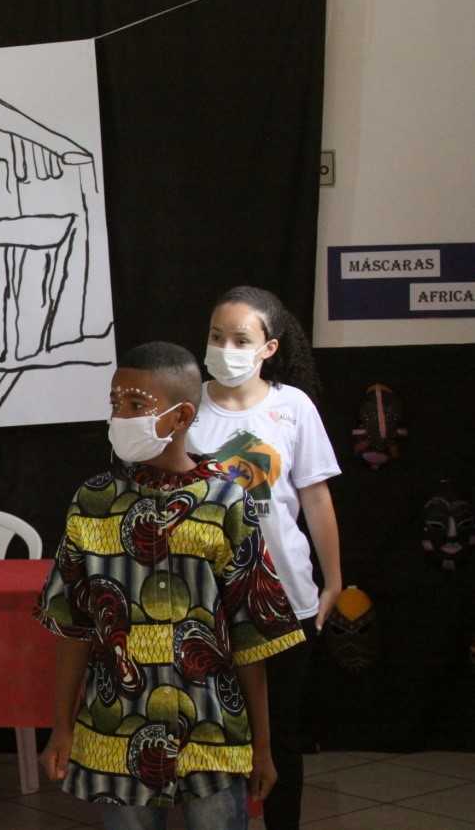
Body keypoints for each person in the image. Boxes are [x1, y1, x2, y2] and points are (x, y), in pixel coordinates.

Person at [36, 341, 305, 830]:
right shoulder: (92, 503)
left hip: (213, 730)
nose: (120, 415)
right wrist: (61, 728)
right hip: (117, 726)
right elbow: (73, 628)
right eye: (115, 404)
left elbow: (250, 636)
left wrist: (261, 746)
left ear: (181, 416)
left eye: (136, 405)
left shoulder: (224, 502)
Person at [184, 286, 342, 830]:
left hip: (285, 598)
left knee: (281, 737)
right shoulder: (185, 403)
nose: (225, 347)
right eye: (216, 336)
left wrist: (333, 582)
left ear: (269, 347)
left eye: (240, 339)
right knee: (212, 734)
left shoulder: (292, 406)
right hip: (202, 602)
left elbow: (316, 498)